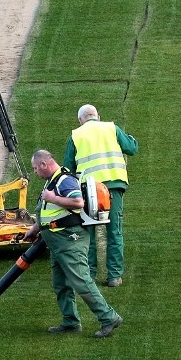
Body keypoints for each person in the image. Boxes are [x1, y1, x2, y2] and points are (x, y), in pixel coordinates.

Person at [23, 150, 123, 338]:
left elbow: (77, 201)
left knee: (81, 280)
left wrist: (52, 198)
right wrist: (36, 228)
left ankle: (108, 317)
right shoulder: (52, 180)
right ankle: (70, 321)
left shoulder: (64, 180)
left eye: (36, 168)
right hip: (57, 242)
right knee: (60, 284)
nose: (35, 172)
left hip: (69, 240)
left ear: (44, 164)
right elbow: (49, 211)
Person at [63, 104, 138, 287]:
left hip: (88, 190)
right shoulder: (111, 128)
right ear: (97, 116)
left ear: (80, 120)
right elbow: (132, 148)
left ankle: (89, 274)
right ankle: (114, 276)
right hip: (113, 187)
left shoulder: (76, 135)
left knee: (88, 233)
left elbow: (68, 168)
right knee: (114, 232)